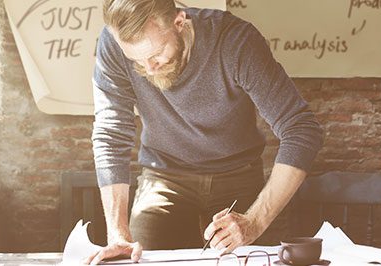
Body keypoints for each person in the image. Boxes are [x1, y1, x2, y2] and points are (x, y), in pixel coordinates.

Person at [86, 0, 324, 264]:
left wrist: (254, 222)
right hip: (164, 175)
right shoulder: (113, 43)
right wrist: (118, 234)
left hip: (237, 173)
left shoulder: (235, 41)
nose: (148, 69)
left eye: (156, 54)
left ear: (179, 22)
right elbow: (110, 134)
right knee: (139, 259)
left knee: (251, 259)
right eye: (136, 60)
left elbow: (301, 129)